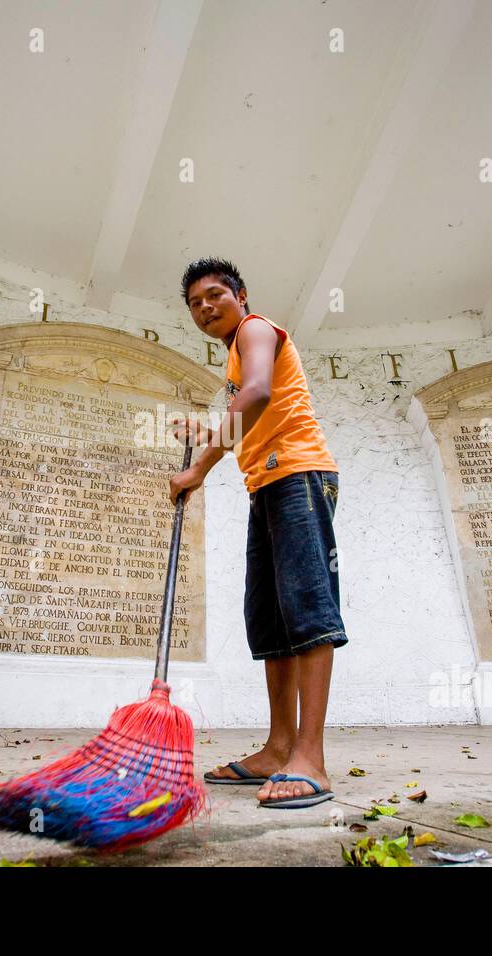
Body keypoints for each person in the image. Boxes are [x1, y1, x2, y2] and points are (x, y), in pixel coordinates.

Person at [169, 257, 346, 809]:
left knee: (307, 607)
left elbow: (261, 394)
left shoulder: (255, 330)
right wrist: (209, 431)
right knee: (269, 619)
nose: (205, 307)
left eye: (215, 294)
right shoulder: (234, 358)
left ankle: (310, 757)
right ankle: (278, 747)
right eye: (195, 303)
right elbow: (249, 413)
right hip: (266, 484)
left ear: (241, 295)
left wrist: (199, 466)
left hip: (299, 475)